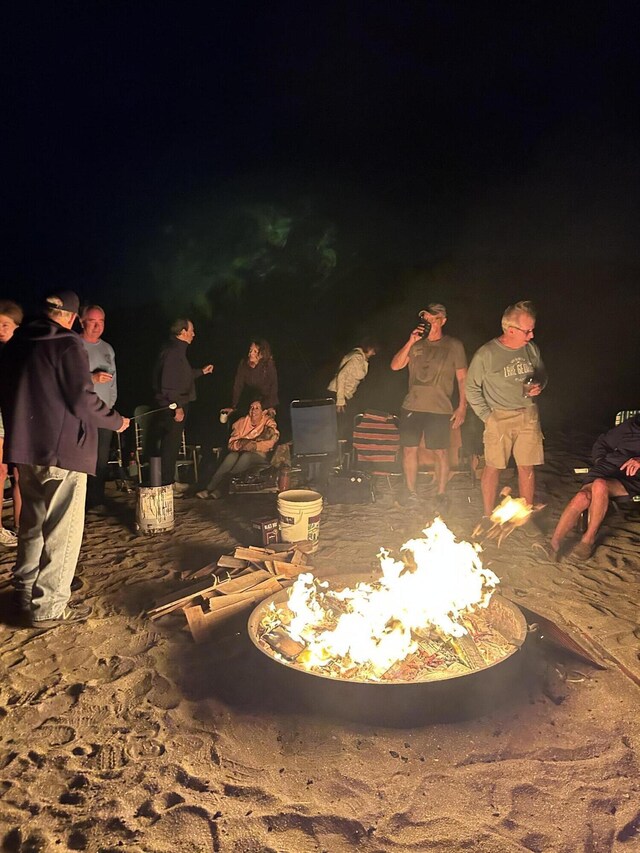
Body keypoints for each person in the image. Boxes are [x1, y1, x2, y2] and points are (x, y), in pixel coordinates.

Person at [0, 291, 129, 628]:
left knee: (32, 524)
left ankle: (24, 590)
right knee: (62, 531)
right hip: (63, 453)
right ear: (72, 317)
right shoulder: (67, 344)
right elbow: (82, 400)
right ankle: (51, 607)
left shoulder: (16, 343)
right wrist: (116, 421)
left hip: (26, 451)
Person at [466, 300, 546, 518]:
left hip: (528, 414)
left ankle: (525, 515)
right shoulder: (487, 354)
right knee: (494, 466)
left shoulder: (531, 349)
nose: (531, 336)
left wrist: (539, 385)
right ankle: (487, 514)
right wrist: (487, 417)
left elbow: (542, 374)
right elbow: (471, 388)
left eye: (532, 330)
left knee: (527, 467)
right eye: (527, 331)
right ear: (511, 330)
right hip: (498, 416)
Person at [390, 303, 467, 509]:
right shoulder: (416, 344)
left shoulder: (454, 345)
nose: (429, 322)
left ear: (443, 320)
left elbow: (462, 379)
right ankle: (411, 492)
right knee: (409, 450)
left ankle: (441, 494)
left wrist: (462, 407)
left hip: (440, 408)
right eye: (426, 318)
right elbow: (395, 365)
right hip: (412, 406)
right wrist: (410, 341)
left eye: (434, 318)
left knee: (440, 452)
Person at [550, 415, 640, 560]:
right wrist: (600, 461)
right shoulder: (633, 424)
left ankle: (588, 540)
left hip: (633, 475)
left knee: (600, 485)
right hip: (608, 467)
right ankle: (554, 543)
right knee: (582, 496)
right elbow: (603, 443)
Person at [150, 318, 213, 488]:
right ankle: (166, 483)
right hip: (173, 405)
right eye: (191, 330)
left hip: (175, 403)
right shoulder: (173, 353)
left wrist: (201, 372)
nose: (194, 334)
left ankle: (168, 481)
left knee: (172, 443)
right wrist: (177, 407)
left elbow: (181, 376)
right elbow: (167, 384)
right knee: (171, 444)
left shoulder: (176, 350)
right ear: (183, 332)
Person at [197, 399, 279, 499]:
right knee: (231, 456)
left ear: (263, 411)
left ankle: (220, 489)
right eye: (252, 408)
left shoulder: (268, 423)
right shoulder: (241, 423)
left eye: (257, 408)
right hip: (240, 453)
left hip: (259, 456)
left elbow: (271, 441)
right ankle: (210, 488)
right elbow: (231, 444)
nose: (253, 410)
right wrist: (242, 444)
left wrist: (255, 445)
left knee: (246, 456)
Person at [80, 305, 118, 509]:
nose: (97, 326)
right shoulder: (74, 345)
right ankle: (81, 501)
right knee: (83, 459)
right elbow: (66, 378)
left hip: (103, 412)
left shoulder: (107, 349)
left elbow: (113, 382)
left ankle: (96, 499)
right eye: (92, 321)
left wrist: (111, 407)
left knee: (101, 459)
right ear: (81, 321)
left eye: (101, 321)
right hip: (80, 414)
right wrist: (92, 378)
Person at [0, 300, 24, 546]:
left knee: (20, 473)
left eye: (5, 324)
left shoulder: (22, 350)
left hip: (17, 415)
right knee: (0, 471)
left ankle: (21, 525)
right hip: (0, 414)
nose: (0, 328)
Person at [327, 337, 379, 438]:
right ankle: (342, 448)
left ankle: (346, 447)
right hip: (338, 393)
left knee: (348, 422)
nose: (374, 353)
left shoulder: (361, 357)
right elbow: (341, 375)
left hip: (346, 394)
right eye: (374, 350)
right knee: (343, 424)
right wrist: (340, 400)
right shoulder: (357, 357)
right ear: (369, 348)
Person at [221, 339, 278, 420]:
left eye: (255, 351)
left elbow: (273, 386)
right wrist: (234, 406)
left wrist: (271, 407)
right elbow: (238, 385)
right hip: (249, 400)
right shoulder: (243, 364)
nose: (251, 353)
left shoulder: (269, 365)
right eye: (250, 350)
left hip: (266, 401)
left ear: (262, 354)